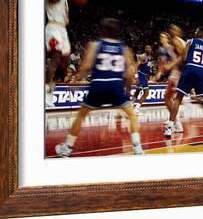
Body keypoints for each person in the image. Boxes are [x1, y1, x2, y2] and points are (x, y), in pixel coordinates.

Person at [55, 18, 143, 157]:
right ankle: (138, 149)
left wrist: (76, 80)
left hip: (98, 85)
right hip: (116, 85)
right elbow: (129, 73)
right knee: (132, 115)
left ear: (102, 30)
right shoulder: (124, 48)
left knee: (81, 116)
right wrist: (126, 89)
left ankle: (67, 148)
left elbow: (86, 67)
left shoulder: (95, 45)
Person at [164, 26, 203, 138]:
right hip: (201, 70)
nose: (195, 32)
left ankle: (169, 128)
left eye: (196, 31)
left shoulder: (190, 41)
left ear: (201, 33)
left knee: (178, 98)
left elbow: (184, 57)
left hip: (190, 68)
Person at [45, 0, 71, 107]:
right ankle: (44, 90)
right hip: (53, 28)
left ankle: (50, 93)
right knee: (55, 59)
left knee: (63, 65)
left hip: (63, 29)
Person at [132, 45, 153, 115]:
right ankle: (131, 109)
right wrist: (136, 76)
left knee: (146, 93)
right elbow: (136, 66)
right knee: (137, 92)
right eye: (147, 48)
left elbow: (148, 67)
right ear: (145, 49)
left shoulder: (150, 57)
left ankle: (136, 108)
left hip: (145, 77)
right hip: (141, 76)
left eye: (149, 48)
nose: (148, 49)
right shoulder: (143, 56)